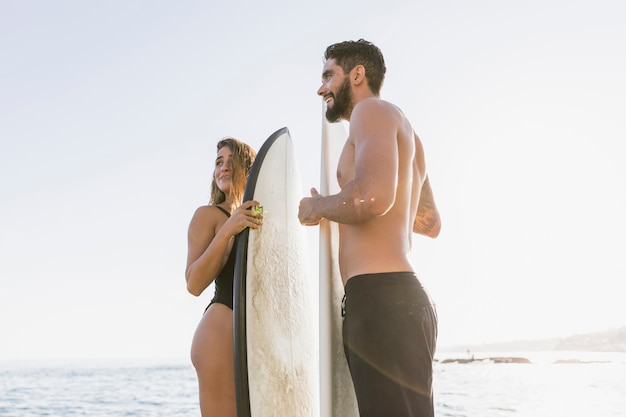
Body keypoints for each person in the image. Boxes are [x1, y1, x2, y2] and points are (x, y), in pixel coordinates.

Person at [298, 39, 442, 417]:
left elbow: (374, 198)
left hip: (383, 302)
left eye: (329, 75)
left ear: (357, 75)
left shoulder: (370, 112)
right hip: (400, 301)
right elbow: (430, 222)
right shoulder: (410, 134)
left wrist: (320, 206)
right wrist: (357, 199)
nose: (321, 88)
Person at [185, 137, 262, 417]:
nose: (223, 168)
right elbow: (193, 283)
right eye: (219, 162)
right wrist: (228, 229)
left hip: (251, 337)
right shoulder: (209, 215)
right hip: (219, 332)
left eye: (232, 161)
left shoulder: (256, 219)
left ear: (249, 170)